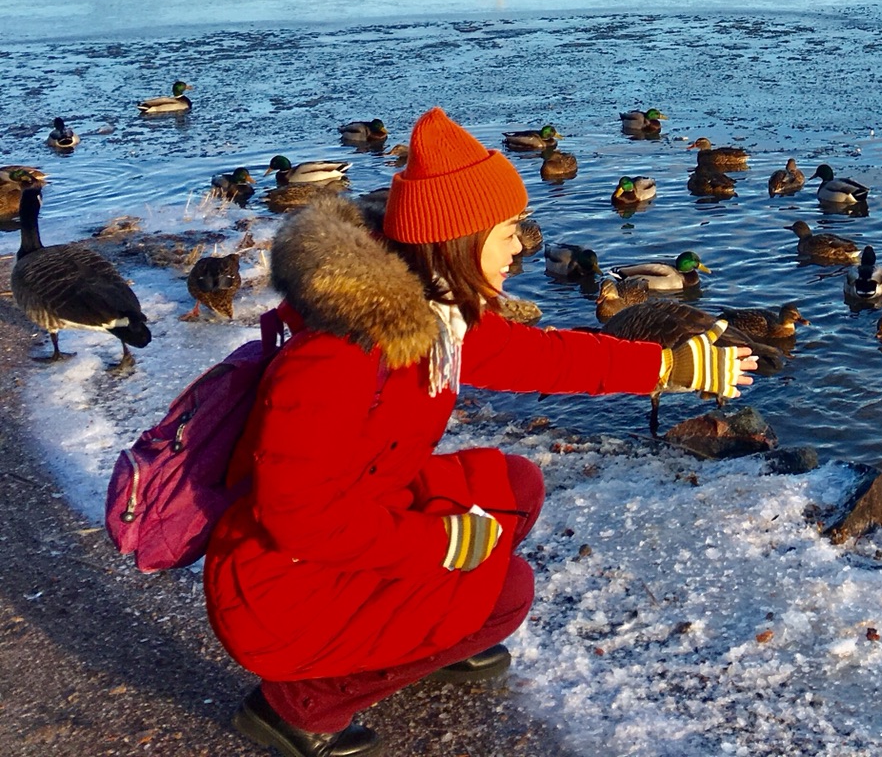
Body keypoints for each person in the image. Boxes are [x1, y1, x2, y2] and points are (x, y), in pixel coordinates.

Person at [206, 108, 753, 757]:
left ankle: (426, 634)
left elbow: (544, 356)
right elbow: (298, 519)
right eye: (507, 232)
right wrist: (430, 543)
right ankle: (297, 706)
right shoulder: (333, 360)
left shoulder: (431, 310)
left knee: (513, 487)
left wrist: (667, 365)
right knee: (505, 592)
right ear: (456, 240)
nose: (522, 246)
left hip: (354, 518)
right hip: (278, 588)